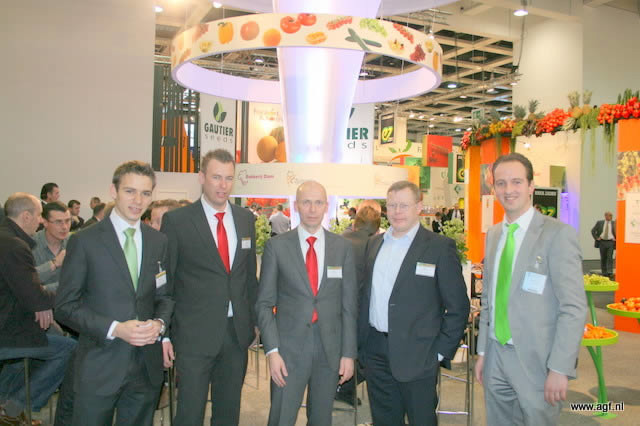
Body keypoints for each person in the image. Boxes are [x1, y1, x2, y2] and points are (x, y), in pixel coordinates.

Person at [55, 161, 174, 426]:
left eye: (145, 193)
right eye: (130, 191)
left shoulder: (158, 241)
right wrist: (115, 329)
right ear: (113, 191)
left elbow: (164, 296)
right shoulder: (84, 241)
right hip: (100, 363)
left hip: (145, 367)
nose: (138, 200)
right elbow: (65, 306)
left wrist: (159, 324)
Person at [474, 153, 587, 426]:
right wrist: (483, 353)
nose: (508, 190)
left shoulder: (557, 235)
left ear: (531, 186)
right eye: (501, 183)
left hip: (538, 361)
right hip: (496, 354)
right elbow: (488, 300)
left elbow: (573, 308)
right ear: (494, 188)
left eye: (516, 182)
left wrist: (560, 368)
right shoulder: (494, 235)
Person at [358, 181, 470, 425]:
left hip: (420, 355)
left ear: (418, 206)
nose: (397, 211)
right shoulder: (373, 244)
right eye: (392, 205)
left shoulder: (439, 247)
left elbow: (458, 306)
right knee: (384, 420)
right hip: (376, 353)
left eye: (404, 205)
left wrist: (439, 352)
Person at [161, 149, 258, 426]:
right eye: (216, 177)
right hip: (194, 336)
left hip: (236, 335)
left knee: (228, 413)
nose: (223, 185)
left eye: (228, 178)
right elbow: (167, 282)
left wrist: (253, 322)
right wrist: (164, 334)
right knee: (189, 414)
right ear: (202, 177)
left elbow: (249, 277)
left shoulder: (245, 219)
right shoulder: (177, 221)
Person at [256, 180, 358, 426]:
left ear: (326, 206)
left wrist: (348, 353)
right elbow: (264, 304)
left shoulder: (342, 248)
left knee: (322, 418)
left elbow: (349, 306)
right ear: (296, 206)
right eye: (306, 202)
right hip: (287, 351)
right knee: (281, 417)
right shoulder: (277, 247)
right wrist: (272, 351)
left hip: (329, 350)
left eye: (318, 202)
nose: (312, 209)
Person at [0, 193, 76, 423]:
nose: (40, 221)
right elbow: (33, 293)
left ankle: (6, 404)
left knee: (40, 343)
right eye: (39, 216)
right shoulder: (15, 246)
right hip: (8, 330)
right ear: (26, 216)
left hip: (15, 322)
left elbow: (27, 291)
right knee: (69, 349)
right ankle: (15, 408)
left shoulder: (7, 239)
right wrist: (71, 294)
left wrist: (41, 302)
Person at [335, 205, 381, 406]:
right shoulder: (377, 247)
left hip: (334, 310)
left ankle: (337, 386)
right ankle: (343, 388)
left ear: (355, 224)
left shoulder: (339, 242)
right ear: (377, 229)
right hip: (364, 314)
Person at [591, 211, 616, 277]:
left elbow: (618, 231)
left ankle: (610, 271)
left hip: (610, 242)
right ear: (605, 216)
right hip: (602, 242)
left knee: (610, 257)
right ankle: (604, 272)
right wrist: (596, 238)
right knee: (603, 257)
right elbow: (593, 231)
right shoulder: (600, 223)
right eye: (609, 215)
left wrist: (616, 238)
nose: (611, 217)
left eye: (611, 215)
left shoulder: (614, 223)